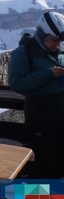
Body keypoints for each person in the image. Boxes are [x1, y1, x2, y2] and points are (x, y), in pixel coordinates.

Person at [8, 10, 64, 178]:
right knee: (42, 166)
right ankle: (28, 197)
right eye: (53, 40)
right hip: (40, 116)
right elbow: (17, 84)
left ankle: (55, 196)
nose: (57, 44)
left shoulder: (58, 53)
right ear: (41, 35)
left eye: (59, 41)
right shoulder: (23, 53)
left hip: (59, 117)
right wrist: (48, 74)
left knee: (58, 165)